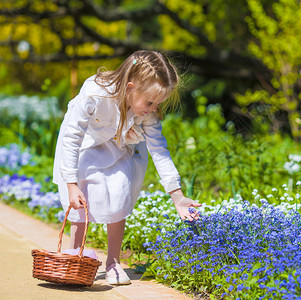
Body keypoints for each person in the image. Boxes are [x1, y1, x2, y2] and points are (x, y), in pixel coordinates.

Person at [53, 50, 201, 285]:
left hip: (119, 145)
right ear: (130, 87)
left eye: (158, 104)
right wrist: (71, 184)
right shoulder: (94, 94)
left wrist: (178, 196)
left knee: (120, 189)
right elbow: (72, 137)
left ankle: (113, 262)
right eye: (150, 102)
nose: (153, 108)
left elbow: (159, 150)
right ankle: (74, 256)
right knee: (80, 197)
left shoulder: (146, 112)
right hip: (84, 146)